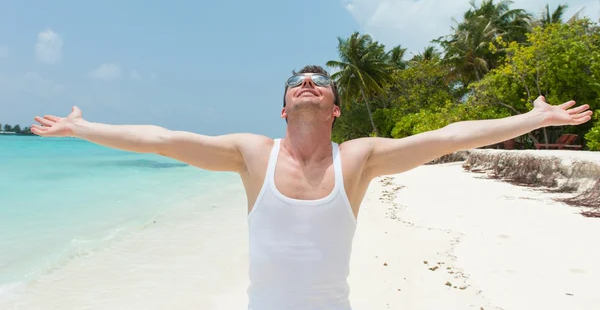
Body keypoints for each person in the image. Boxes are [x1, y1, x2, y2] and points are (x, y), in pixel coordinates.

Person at [31, 65, 592, 310]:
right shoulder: (252, 155)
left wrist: (529, 119)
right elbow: (161, 138)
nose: (307, 82)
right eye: (297, 82)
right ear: (282, 108)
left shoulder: (360, 159)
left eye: (320, 81)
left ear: (333, 108)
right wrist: (83, 128)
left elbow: (446, 136)